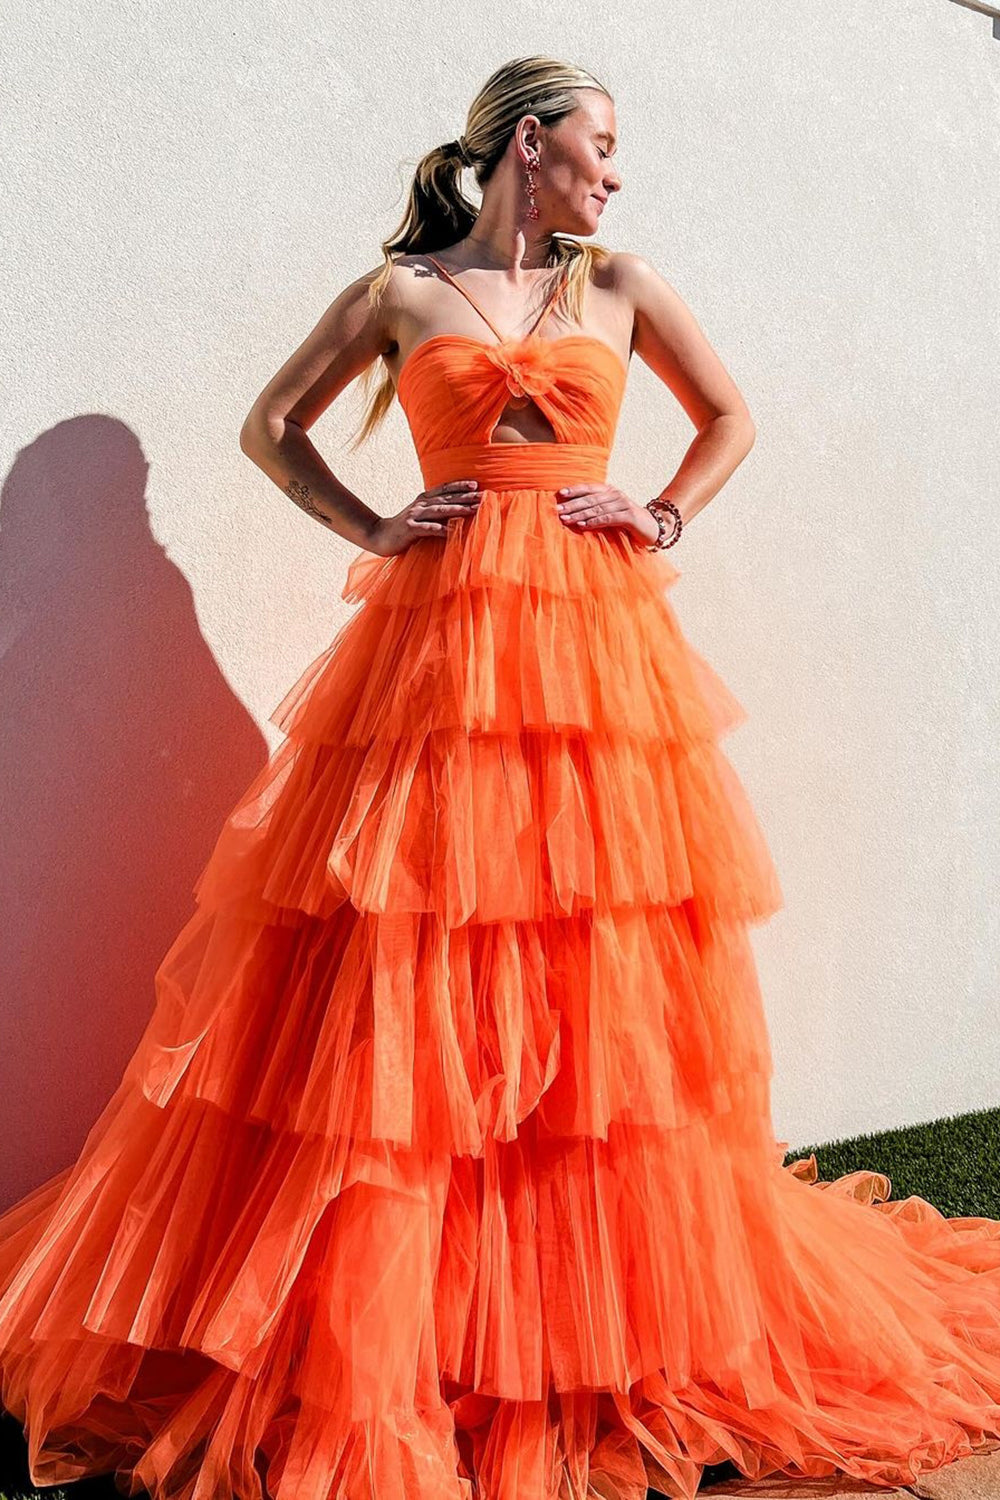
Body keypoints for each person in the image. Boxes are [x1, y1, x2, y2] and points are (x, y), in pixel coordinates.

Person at [2, 51, 1000, 1500]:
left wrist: (657, 510)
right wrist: (375, 521)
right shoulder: (396, 298)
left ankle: (600, 1323)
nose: (615, 169)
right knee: (414, 976)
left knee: (589, 971)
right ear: (528, 146)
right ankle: (414, 1332)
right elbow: (268, 428)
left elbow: (732, 419)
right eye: (600, 144)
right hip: (435, 654)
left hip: (594, 649)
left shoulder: (621, 283)